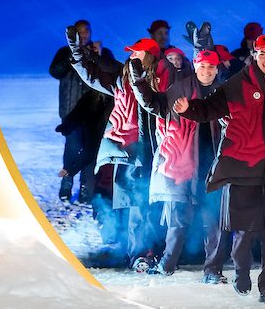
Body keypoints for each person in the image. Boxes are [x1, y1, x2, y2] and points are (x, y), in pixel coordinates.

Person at [176, 33, 265, 301]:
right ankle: (241, 271)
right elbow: (211, 108)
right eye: (262, 54)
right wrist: (189, 108)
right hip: (245, 170)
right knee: (244, 232)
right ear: (254, 55)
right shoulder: (238, 83)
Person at [129, 24, 222, 277]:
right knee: (178, 222)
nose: (207, 71)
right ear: (195, 65)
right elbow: (153, 104)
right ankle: (167, 265)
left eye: (211, 67)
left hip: (214, 165)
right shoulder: (180, 89)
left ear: (216, 69)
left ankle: (212, 270)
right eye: (202, 66)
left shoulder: (222, 92)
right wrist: (138, 80)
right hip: (182, 164)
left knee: (212, 220)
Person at [65, 29, 162, 272]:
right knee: (133, 204)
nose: (131, 57)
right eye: (130, 53)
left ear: (150, 56)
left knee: (150, 206)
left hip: (155, 152)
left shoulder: (161, 81)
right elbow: (93, 76)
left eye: (137, 53)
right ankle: (137, 254)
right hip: (126, 151)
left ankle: (152, 252)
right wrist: (78, 54)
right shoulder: (122, 80)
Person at [49, 19, 118, 202]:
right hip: (71, 109)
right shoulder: (65, 52)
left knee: (91, 148)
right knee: (72, 146)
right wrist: (73, 54)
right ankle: (67, 182)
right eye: (79, 32)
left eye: (86, 31)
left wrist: (99, 55)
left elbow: (112, 73)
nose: (84, 35)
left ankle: (87, 187)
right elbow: (55, 72)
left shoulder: (101, 52)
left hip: (96, 110)